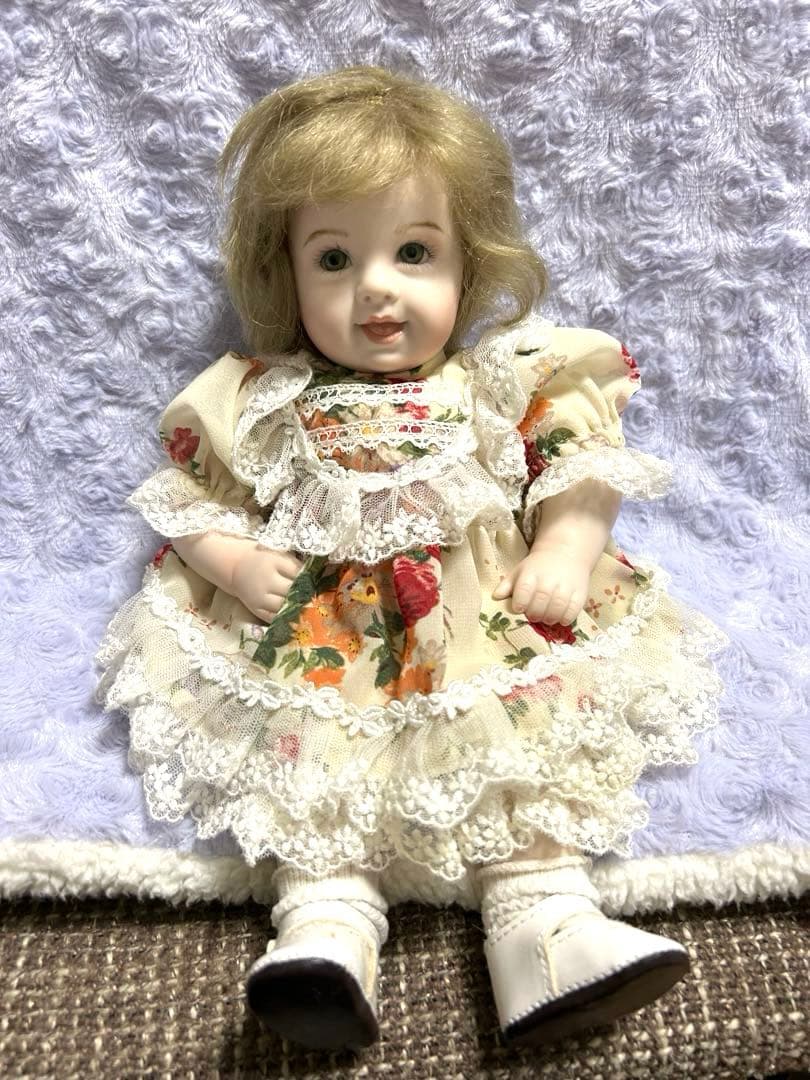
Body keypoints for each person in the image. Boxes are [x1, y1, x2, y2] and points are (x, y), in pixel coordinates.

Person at [94, 64, 730, 1052]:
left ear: (469, 265)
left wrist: (567, 543)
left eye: (415, 252)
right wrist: (228, 562)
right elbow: (190, 497)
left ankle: (545, 923)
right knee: (315, 778)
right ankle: (325, 930)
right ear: (287, 274)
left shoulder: (499, 379)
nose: (377, 288)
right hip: (325, 640)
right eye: (335, 259)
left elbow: (580, 459)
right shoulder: (265, 398)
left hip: (483, 624)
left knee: (519, 760)